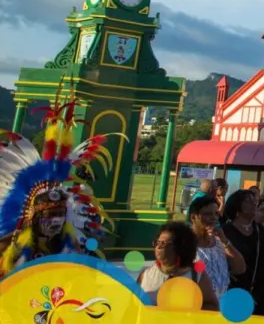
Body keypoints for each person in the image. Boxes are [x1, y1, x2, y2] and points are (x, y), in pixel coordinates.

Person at [0, 95, 110, 277]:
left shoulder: (72, 249)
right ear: (34, 216)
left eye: (60, 214)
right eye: (50, 215)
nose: (56, 221)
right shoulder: (9, 247)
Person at [137, 221, 220, 311]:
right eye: (157, 242)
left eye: (164, 243)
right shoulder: (145, 275)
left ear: (180, 247)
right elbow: (133, 307)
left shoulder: (196, 276)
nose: (158, 247)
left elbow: (213, 307)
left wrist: (188, 309)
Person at [222, 189, 264, 316]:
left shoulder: (261, 230)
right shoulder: (225, 232)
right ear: (237, 206)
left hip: (258, 291)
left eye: (254, 200)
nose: (254, 203)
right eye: (248, 201)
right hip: (232, 290)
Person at [188, 194, 244, 298]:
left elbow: (240, 269)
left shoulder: (219, 241)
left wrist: (224, 241)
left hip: (220, 302)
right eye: (207, 214)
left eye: (216, 214)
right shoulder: (186, 243)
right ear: (193, 217)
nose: (213, 218)